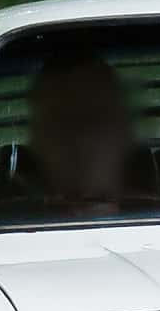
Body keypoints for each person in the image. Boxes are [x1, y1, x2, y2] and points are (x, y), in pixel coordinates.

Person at [24, 50, 134, 211]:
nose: (79, 142)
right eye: (60, 124)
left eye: (95, 120)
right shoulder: (1, 223)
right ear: (37, 142)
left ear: (124, 134)